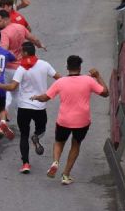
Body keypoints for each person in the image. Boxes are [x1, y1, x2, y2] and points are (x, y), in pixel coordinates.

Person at [31, 55, 109, 184]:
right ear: (80, 67)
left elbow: (45, 97)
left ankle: (55, 161)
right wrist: (98, 76)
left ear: (67, 67)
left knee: (59, 142)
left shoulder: (60, 82)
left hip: (64, 120)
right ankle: (66, 175)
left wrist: (36, 97)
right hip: (82, 121)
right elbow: (106, 93)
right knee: (75, 144)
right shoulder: (88, 80)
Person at [0, 42, 60, 173]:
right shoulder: (45, 64)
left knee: (24, 135)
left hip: (24, 106)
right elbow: (59, 78)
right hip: (40, 106)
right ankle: (36, 137)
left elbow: (12, 87)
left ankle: (25, 164)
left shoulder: (21, 69)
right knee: (41, 129)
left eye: (21, 52)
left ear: (24, 53)